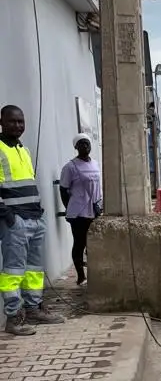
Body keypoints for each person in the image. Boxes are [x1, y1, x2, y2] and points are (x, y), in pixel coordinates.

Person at [0, 105, 65, 336]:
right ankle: (13, 317)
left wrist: (39, 210)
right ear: (1, 122)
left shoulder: (23, 150)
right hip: (15, 223)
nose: (17, 125)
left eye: (21, 121)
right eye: (12, 121)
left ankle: (34, 308)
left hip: (35, 219)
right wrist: (9, 217)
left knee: (34, 269)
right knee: (13, 272)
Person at [59, 134, 102, 286]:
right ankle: (80, 276)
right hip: (79, 213)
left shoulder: (95, 164)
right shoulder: (70, 167)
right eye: (81, 144)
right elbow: (63, 189)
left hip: (95, 210)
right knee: (80, 243)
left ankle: (95, 273)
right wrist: (70, 207)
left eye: (87, 143)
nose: (85, 146)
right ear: (76, 147)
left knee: (94, 244)